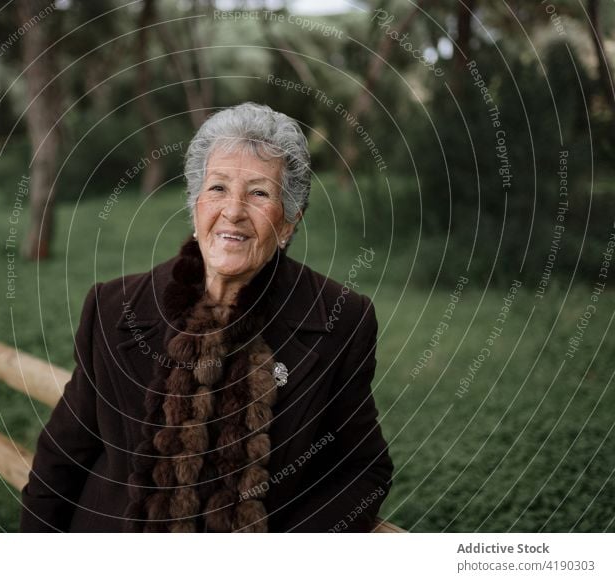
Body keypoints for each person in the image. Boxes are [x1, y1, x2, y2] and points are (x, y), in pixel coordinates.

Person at [20, 102, 393, 532]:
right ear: (196, 206)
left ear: (290, 222)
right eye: (218, 188)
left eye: (259, 193)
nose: (233, 211)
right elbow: (62, 457)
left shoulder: (340, 320)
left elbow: (364, 471)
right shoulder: (112, 306)